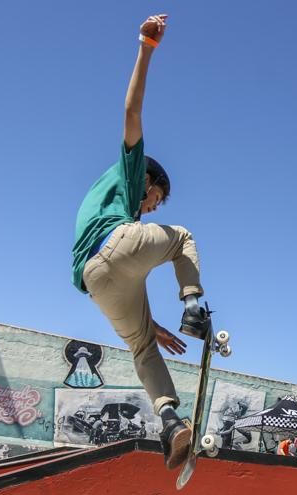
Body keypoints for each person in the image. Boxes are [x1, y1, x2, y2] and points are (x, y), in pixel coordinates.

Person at [72, 14, 209, 471]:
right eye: (157, 198)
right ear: (149, 181)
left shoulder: (114, 201)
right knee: (182, 237)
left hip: (96, 280)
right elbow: (131, 111)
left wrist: (152, 324)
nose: (153, 206)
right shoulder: (131, 173)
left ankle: (170, 423)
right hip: (117, 244)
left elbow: (118, 270)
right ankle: (194, 306)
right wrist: (146, 48)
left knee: (143, 346)